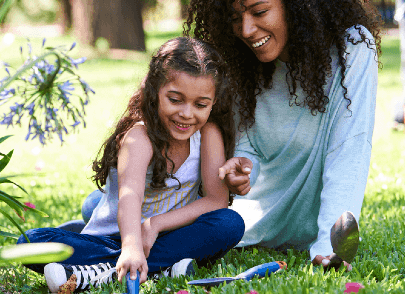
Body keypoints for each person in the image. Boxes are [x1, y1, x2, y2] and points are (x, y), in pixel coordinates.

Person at [185, 0, 382, 271]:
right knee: (107, 208)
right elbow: (251, 147)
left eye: (259, 11)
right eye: (235, 18)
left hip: (307, 231)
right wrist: (242, 167)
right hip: (246, 225)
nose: (246, 30)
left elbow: (349, 150)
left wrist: (327, 246)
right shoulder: (243, 66)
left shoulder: (351, 48)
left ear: (294, 2)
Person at [17, 37, 244, 292]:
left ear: (212, 102)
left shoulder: (208, 134)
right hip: (113, 238)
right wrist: (131, 247)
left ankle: (99, 272)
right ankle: (162, 267)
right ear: (154, 92)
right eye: (175, 99)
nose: (187, 113)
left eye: (200, 104)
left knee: (229, 223)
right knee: (29, 242)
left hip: (167, 235)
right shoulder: (140, 137)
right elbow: (130, 196)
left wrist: (155, 224)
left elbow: (216, 201)